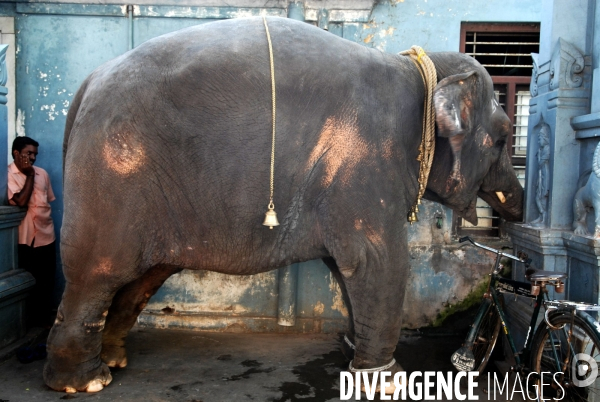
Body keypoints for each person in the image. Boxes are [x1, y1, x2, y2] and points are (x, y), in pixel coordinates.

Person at [8, 136, 56, 328]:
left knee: (46, 283)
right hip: (25, 237)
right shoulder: (7, 175)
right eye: (29, 153)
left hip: (46, 235)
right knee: (28, 283)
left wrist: (33, 174)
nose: (33, 158)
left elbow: (48, 200)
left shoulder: (42, 174)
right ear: (16, 154)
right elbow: (20, 201)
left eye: (35, 154)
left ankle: (43, 326)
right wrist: (28, 175)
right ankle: (25, 325)